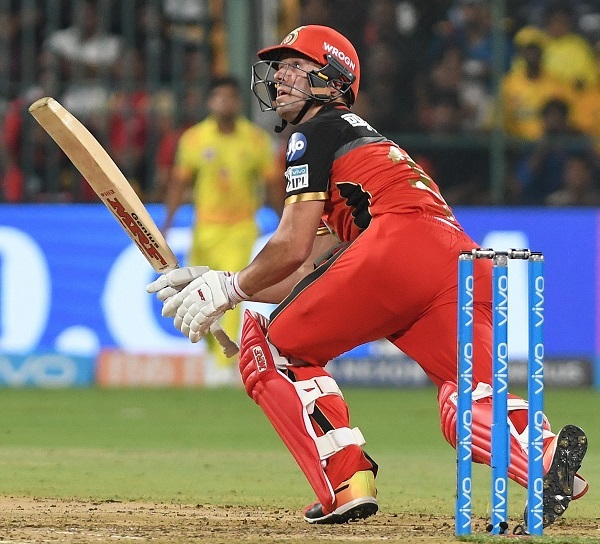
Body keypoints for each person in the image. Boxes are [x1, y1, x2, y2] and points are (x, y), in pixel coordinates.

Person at [147, 25, 589, 528]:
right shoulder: (365, 142)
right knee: (465, 395)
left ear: (332, 80)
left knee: (270, 343)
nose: (282, 77)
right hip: (460, 262)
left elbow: (291, 245)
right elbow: (313, 268)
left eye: (297, 66)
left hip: (396, 247)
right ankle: (547, 459)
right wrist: (224, 281)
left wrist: (233, 290)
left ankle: (346, 480)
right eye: (281, 67)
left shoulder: (314, 132)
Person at [161, 75, 280, 368]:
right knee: (196, 293)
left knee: (226, 293)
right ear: (210, 102)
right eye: (219, 97)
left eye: (230, 97)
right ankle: (211, 356)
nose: (224, 103)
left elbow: (273, 183)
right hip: (204, 228)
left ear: (238, 102)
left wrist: (282, 218)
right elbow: (179, 183)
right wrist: (168, 220)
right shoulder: (194, 139)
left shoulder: (255, 140)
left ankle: (224, 366)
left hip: (239, 227)